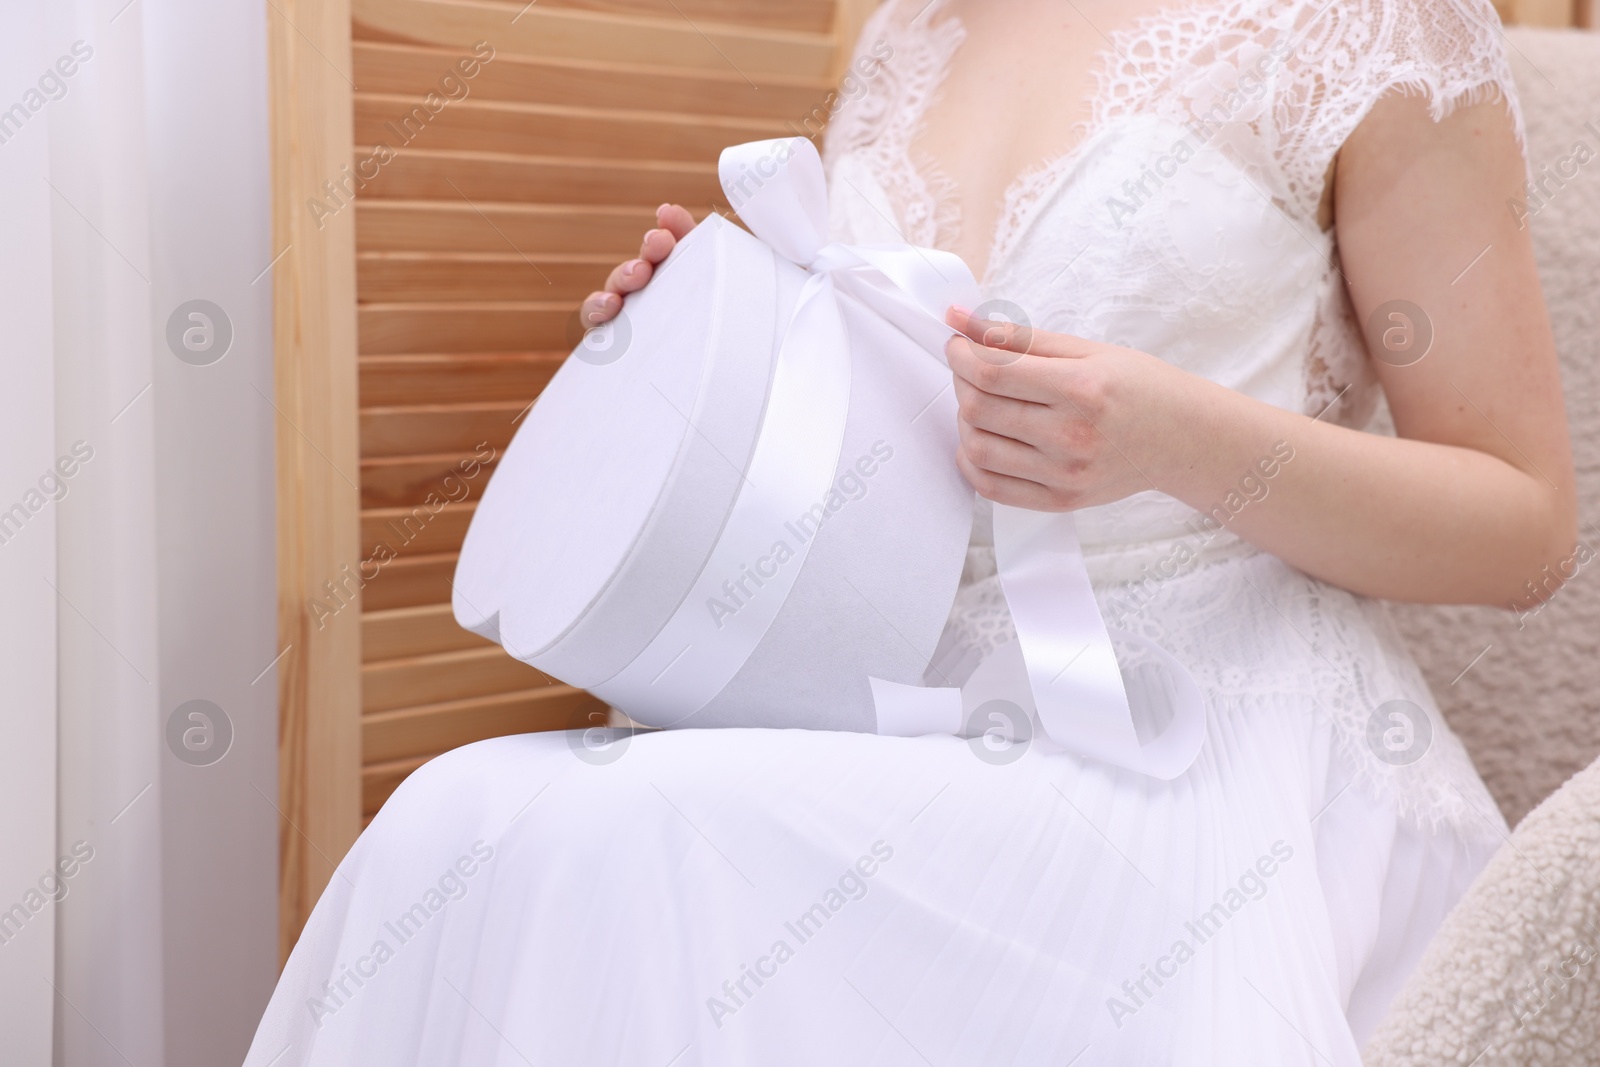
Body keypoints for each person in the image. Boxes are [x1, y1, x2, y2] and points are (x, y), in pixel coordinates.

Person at [243, 1, 1576, 1063]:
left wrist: (1181, 440)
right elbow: (894, 420)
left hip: (1206, 736)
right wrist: (711, 347)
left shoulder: (1379, 31)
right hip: (904, 690)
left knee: (622, 837)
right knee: (457, 818)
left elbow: (1525, 527)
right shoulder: (910, 28)